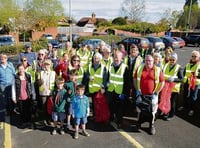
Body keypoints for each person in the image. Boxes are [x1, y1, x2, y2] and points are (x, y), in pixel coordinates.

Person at [134, 55, 165, 135]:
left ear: (153, 61)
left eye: (150, 61)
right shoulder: (140, 68)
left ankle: (151, 126)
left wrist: (157, 91)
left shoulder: (157, 70)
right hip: (141, 94)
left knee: (152, 112)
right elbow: (134, 78)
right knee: (140, 111)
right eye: (147, 60)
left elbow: (162, 82)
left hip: (152, 95)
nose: (148, 62)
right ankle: (138, 124)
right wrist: (137, 89)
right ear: (145, 61)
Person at [107, 50, 129, 129]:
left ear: (121, 58)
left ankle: (119, 122)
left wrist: (124, 93)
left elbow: (127, 82)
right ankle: (111, 118)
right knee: (111, 106)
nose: (116, 58)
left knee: (119, 108)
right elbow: (109, 77)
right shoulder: (111, 66)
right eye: (115, 57)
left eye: (117, 57)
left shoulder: (124, 67)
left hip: (120, 91)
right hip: (111, 90)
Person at [12, 64, 35, 128]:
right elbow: (13, 87)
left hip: (28, 96)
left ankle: (29, 122)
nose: (21, 70)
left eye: (22, 68)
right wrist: (13, 97)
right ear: (17, 70)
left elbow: (32, 86)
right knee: (22, 111)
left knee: (28, 110)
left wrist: (33, 95)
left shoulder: (28, 76)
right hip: (20, 97)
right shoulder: (15, 77)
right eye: (19, 69)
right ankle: (24, 122)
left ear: (24, 69)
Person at [162, 52, 183, 120]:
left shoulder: (179, 68)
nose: (172, 61)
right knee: (165, 101)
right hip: (166, 87)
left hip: (174, 88)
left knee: (172, 102)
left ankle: (171, 115)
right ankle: (166, 112)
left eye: (173, 60)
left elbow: (181, 79)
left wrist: (174, 79)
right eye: (171, 59)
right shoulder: (165, 65)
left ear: (176, 60)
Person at [179, 50, 200, 116]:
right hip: (187, 82)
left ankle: (192, 109)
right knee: (185, 95)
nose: (193, 57)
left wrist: (196, 74)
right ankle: (184, 106)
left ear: (198, 57)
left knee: (193, 97)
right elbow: (185, 72)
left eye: (195, 56)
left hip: (195, 84)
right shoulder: (188, 64)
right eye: (192, 56)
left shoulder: (199, 65)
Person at [86, 52, 107, 119]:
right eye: (94, 58)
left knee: (99, 104)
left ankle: (99, 116)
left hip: (99, 89)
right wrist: (89, 77)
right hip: (92, 89)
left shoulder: (103, 67)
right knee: (94, 104)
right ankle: (95, 116)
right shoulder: (89, 66)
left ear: (100, 59)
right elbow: (86, 75)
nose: (96, 59)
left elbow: (105, 78)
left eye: (97, 58)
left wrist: (103, 87)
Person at [37, 59, 56, 125]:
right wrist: (39, 80)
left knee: (50, 107)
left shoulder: (54, 73)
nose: (46, 66)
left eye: (48, 64)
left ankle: (50, 119)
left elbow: (56, 83)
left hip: (50, 93)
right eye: (45, 64)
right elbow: (38, 84)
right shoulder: (41, 73)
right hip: (43, 93)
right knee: (44, 107)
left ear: (50, 65)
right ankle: (45, 119)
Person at [0, 53, 15, 121]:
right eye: (1, 57)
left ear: (7, 58)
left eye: (4, 57)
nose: (3, 58)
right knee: (5, 99)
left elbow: (14, 73)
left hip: (11, 84)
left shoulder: (10, 65)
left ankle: (12, 110)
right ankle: (8, 111)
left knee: (12, 97)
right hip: (3, 85)